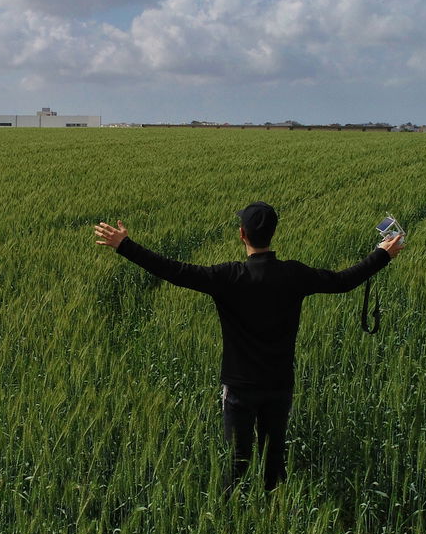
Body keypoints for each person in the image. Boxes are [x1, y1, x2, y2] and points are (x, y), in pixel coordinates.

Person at [94, 202, 404, 495]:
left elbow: (173, 271)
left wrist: (124, 245)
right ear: (273, 233)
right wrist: (382, 255)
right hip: (279, 385)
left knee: (236, 463)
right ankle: (274, 514)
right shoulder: (294, 274)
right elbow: (343, 281)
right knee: (274, 463)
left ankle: (234, 519)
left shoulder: (228, 277)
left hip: (239, 388)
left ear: (242, 234)